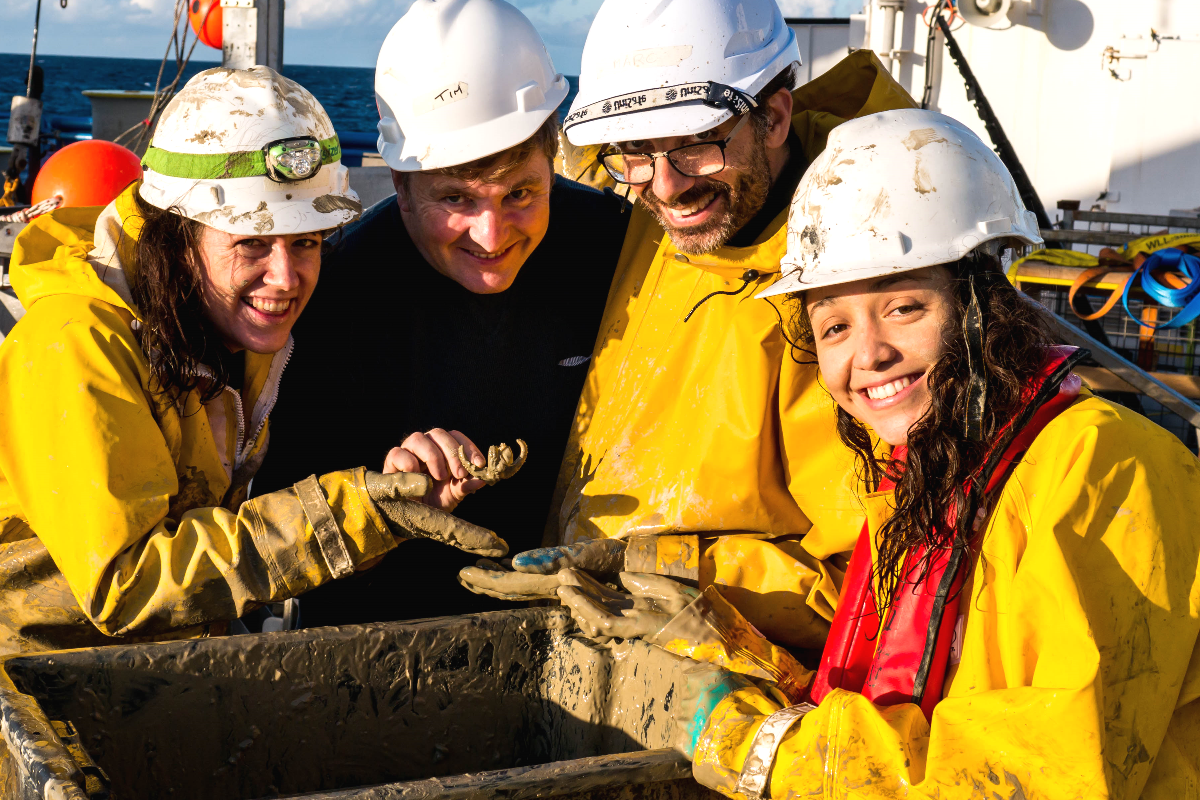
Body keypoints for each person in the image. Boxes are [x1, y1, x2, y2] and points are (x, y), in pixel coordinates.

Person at [560, 109, 1200, 799]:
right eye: (834, 325)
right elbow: (875, 691)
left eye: (903, 308)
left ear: (981, 300)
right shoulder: (930, 474)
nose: (868, 355)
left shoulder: (1105, 465)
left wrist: (758, 745)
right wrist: (693, 619)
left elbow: (1048, 770)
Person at [0, 66, 505, 655]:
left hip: (151, 669)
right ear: (175, 232)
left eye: (307, 240)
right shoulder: (77, 342)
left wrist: (390, 496)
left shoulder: (227, 328)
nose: (286, 278)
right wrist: (354, 514)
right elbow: (127, 583)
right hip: (39, 693)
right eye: (252, 242)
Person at [460, 0, 916, 651]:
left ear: (777, 115)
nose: (668, 188)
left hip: (731, 685)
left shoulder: (860, 292)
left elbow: (869, 596)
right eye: (635, 155)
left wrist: (645, 568)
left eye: (697, 146)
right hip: (602, 634)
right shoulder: (677, 211)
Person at [251, 0, 631, 626]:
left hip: (588, 627)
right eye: (455, 198)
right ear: (398, 183)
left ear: (553, 156)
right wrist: (380, 503)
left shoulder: (619, 251)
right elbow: (289, 546)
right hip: (387, 651)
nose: (490, 235)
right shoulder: (335, 298)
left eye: (521, 194)